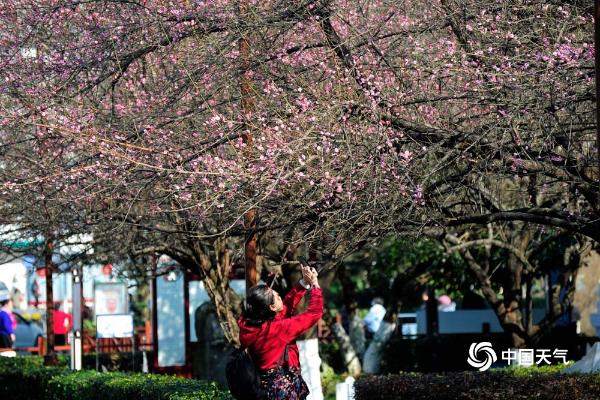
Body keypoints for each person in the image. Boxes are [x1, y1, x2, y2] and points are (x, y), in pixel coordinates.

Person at [238, 264, 323, 400]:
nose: (280, 296)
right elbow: (314, 313)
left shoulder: (252, 325)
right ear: (271, 307)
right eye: (277, 296)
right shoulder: (277, 330)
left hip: (265, 388)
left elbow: (284, 308)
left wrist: (303, 283)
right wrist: (315, 286)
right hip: (284, 391)